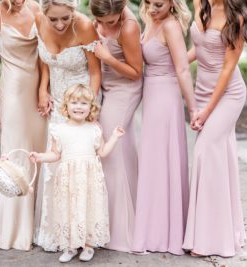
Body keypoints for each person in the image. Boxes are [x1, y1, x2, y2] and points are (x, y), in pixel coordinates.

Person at [183, 0, 247, 257]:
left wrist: (207, 110)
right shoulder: (199, 4)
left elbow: (227, 68)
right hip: (203, 91)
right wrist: (176, 64)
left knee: (205, 152)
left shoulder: (237, 17)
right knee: (217, 157)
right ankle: (218, 230)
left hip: (227, 95)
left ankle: (211, 239)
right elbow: (199, 48)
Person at [33, 0, 101, 252]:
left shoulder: (84, 26)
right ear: (44, 15)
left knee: (78, 169)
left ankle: (83, 234)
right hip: (57, 103)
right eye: (54, 19)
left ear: (73, 12)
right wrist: (42, 88)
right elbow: (47, 59)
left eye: (65, 18)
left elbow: (95, 72)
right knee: (55, 168)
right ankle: (57, 232)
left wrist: (90, 109)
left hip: (81, 103)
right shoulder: (39, 21)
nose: (60, 24)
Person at [131, 0, 198, 255]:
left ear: (171, 2)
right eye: (148, 2)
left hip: (166, 95)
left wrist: (191, 109)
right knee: (153, 161)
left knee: (162, 159)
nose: (152, 7)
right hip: (151, 94)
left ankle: (166, 233)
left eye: (158, 3)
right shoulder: (150, 22)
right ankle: (153, 227)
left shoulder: (170, 26)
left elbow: (182, 68)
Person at [30, 84, 123, 262]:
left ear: (90, 107)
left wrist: (114, 137)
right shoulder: (58, 129)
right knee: (70, 210)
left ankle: (88, 245)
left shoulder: (94, 129)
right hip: (68, 180)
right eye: (74, 102)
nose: (78, 107)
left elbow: (102, 152)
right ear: (66, 106)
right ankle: (71, 245)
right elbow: (55, 154)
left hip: (89, 179)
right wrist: (40, 157)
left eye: (83, 103)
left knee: (89, 208)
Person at [0, 0, 47, 250]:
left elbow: (45, 52)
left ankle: (40, 226)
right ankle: (16, 231)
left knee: (39, 151)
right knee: (17, 154)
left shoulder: (37, 9)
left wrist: (44, 89)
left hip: (37, 89)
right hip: (13, 91)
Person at [89, 0, 143, 252]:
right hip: (107, 87)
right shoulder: (99, 19)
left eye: (111, 21)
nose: (105, 25)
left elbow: (136, 72)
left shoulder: (129, 26)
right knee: (123, 149)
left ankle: (119, 231)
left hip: (125, 89)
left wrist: (107, 57)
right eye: (101, 21)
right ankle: (131, 219)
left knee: (107, 152)